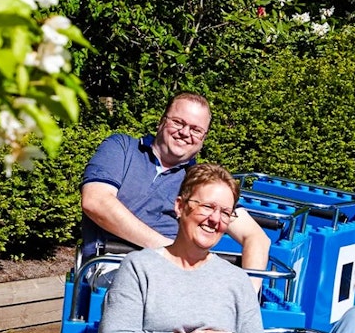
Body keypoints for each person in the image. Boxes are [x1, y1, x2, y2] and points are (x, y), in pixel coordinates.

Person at [81, 92, 270, 287]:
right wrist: (168, 250)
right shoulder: (122, 148)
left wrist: (248, 296)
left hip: (176, 272)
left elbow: (256, 237)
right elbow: (95, 202)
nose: (185, 133)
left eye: (196, 130)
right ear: (161, 122)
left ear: (203, 138)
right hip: (114, 261)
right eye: (178, 122)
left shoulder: (200, 180)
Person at [99, 163, 271, 333]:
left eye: (225, 212)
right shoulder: (139, 267)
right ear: (180, 207)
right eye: (207, 207)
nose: (215, 219)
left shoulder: (236, 278)